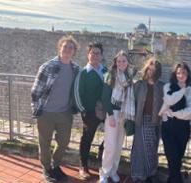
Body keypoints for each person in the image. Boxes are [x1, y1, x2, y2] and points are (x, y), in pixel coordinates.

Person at [31, 35, 80, 183]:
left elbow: (77, 90)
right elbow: (35, 90)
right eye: (65, 47)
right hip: (46, 112)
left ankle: (55, 164)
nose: (67, 50)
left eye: (70, 48)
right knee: (44, 142)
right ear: (59, 48)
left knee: (64, 141)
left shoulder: (76, 69)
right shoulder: (48, 66)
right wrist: (37, 109)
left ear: (74, 52)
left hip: (65, 112)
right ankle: (47, 168)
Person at [99, 50, 136, 183]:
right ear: (115, 62)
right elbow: (105, 97)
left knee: (118, 145)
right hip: (113, 113)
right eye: (118, 61)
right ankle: (104, 173)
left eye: (123, 61)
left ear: (128, 62)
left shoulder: (130, 77)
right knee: (110, 145)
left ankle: (113, 170)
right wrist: (110, 116)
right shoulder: (111, 75)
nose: (121, 63)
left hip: (124, 113)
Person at [159, 62, 191, 183]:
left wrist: (174, 114)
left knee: (176, 160)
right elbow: (170, 100)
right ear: (174, 74)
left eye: (183, 73)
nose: (181, 75)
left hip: (182, 128)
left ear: (188, 74)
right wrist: (182, 90)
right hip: (167, 127)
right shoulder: (168, 86)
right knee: (172, 158)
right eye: (178, 73)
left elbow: (189, 112)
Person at [74, 42, 107, 180]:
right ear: (88, 55)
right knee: (87, 138)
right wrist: (83, 110)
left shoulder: (106, 71)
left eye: (97, 53)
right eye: (92, 52)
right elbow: (76, 93)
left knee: (111, 136)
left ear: (101, 55)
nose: (95, 55)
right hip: (90, 112)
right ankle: (83, 166)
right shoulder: (83, 73)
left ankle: (101, 153)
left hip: (105, 110)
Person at [130, 57, 164, 183]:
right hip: (141, 120)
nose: (151, 71)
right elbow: (131, 100)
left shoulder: (162, 86)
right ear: (146, 69)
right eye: (149, 67)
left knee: (151, 147)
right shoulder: (139, 84)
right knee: (139, 147)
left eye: (154, 68)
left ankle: (151, 173)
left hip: (155, 121)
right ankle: (138, 174)